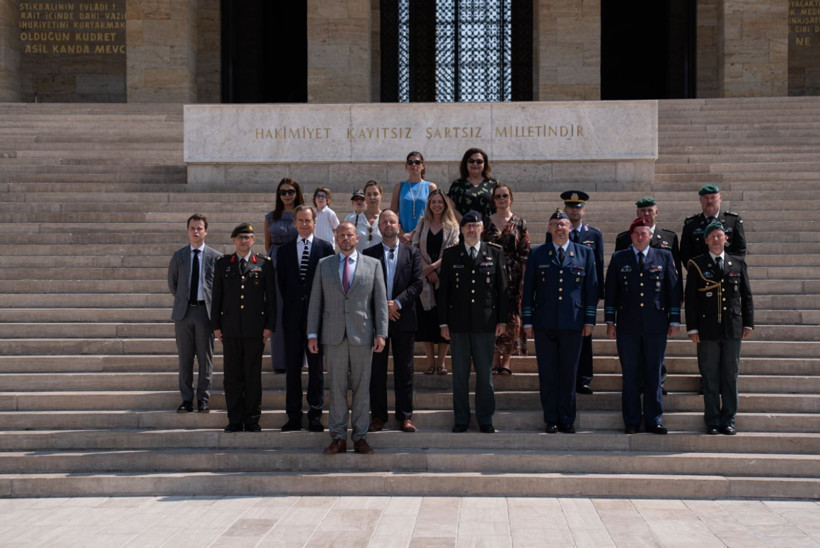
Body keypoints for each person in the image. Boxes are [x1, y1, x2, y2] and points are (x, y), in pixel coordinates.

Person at [307, 221, 388, 454]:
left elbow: (380, 303)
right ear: (336, 237)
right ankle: (338, 436)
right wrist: (312, 333)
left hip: (362, 335)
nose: (345, 239)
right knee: (337, 387)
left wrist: (381, 333)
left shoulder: (372, 265)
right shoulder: (324, 265)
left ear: (357, 238)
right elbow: (315, 303)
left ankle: (360, 436)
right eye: (341, 235)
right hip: (333, 336)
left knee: (363, 388)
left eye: (349, 235)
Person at [522, 210, 597, 434]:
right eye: (554, 224)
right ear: (548, 229)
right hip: (544, 323)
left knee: (568, 373)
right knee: (547, 374)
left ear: (570, 228)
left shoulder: (585, 254)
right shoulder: (537, 253)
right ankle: (551, 418)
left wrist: (589, 320)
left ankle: (567, 418)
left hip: (573, 323)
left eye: (563, 224)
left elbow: (590, 290)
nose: (559, 228)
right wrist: (527, 321)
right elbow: (528, 290)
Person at [605, 217, 681, 435]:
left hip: (655, 325)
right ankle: (631, 420)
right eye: (636, 233)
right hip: (627, 325)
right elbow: (611, 291)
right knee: (630, 374)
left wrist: (674, 319)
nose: (640, 237)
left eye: (644, 233)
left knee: (653, 374)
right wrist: (610, 321)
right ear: (631, 236)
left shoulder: (664, 256)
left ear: (650, 236)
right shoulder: (620, 258)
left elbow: (673, 290)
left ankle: (654, 419)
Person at [438, 210, 508, 434]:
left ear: (482, 229)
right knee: (459, 375)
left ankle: (485, 419)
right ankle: (461, 419)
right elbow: (444, 293)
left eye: (475, 226)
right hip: (457, 325)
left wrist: (502, 320)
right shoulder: (451, 255)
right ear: (461, 229)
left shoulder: (494, 253)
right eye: (467, 226)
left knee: (485, 376)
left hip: (484, 324)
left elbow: (502, 290)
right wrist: (443, 323)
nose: (471, 229)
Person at [685, 221, 754, 435]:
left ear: (726, 239)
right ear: (706, 240)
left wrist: (749, 322)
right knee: (710, 375)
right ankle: (713, 420)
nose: (716, 239)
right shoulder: (697, 264)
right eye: (712, 236)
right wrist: (692, 328)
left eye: (720, 235)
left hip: (732, 327)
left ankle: (729, 419)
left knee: (730, 374)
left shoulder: (737, 263)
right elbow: (691, 300)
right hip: (707, 330)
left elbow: (746, 295)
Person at [211, 223, 276, 432]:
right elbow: (217, 297)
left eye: (247, 237)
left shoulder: (264, 264)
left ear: (253, 240)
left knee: (252, 376)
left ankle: (252, 419)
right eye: (240, 238)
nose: (243, 241)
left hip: (255, 329)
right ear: (233, 241)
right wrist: (216, 326)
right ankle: (235, 419)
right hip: (229, 329)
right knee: (232, 377)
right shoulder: (223, 264)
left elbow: (271, 299)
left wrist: (269, 326)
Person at [614, 196, 682, 395]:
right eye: (642, 211)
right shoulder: (624, 238)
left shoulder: (669, 237)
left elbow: (675, 273)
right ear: (637, 214)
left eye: (649, 211)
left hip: (656, 306)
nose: (646, 214)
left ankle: (658, 383)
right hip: (632, 308)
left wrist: (676, 302)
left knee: (656, 354)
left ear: (656, 213)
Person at [276, 205, 334, 432]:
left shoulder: (325, 248)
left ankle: (315, 415)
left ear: (314, 222)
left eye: (307, 220)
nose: (303, 224)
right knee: (292, 368)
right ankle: (293, 416)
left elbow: (329, 283)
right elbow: (283, 283)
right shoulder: (285, 250)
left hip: (317, 319)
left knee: (316, 369)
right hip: (292, 318)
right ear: (294, 223)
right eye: (299, 220)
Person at [364, 209, 423, 433]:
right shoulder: (369, 254)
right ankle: (378, 417)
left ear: (399, 225)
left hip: (404, 318)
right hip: (378, 322)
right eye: (384, 221)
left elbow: (417, 284)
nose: (388, 224)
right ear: (379, 227)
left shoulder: (413, 253)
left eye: (392, 221)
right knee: (377, 371)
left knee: (404, 371)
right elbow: (365, 285)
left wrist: (396, 304)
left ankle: (405, 416)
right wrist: (383, 309)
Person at [546, 190, 604, 395]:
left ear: (583, 210)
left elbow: (598, 267)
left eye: (577, 207)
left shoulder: (594, 234)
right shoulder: (554, 230)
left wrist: (596, 297)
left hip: (583, 295)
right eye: (570, 207)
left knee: (585, 341)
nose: (574, 211)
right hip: (564, 297)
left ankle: (584, 379)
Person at [167, 213, 221, 414]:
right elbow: (173, 283)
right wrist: (183, 300)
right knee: (185, 358)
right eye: (192, 228)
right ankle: (187, 400)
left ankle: (203, 400)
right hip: (184, 313)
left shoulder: (215, 257)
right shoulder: (179, 256)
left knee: (205, 359)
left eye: (200, 228)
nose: (196, 231)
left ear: (206, 231)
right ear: (188, 231)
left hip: (205, 313)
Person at [482, 183, 530, 375]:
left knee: (512, 318)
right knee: (492, 316)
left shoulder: (519, 223)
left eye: (505, 196)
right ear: (493, 200)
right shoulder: (486, 222)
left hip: (514, 274)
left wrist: (525, 280)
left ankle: (507, 360)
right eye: (498, 196)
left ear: (511, 198)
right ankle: (495, 358)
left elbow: (525, 253)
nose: (502, 199)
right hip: (490, 274)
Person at [412, 189, 460, 375]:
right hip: (424, 278)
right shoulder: (423, 223)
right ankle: (430, 362)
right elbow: (415, 247)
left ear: (445, 204)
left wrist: (433, 267)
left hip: (443, 277)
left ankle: (441, 363)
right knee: (427, 320)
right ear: (429, 204)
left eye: (440, 202)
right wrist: (426, 268)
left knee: (443, 319)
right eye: (434, 202)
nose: (437, 205)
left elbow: (452, 251)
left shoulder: (452, 226)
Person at [264, 178, 304, 373]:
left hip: (298, 261)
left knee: (299, 311)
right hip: (277, 263)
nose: (287, 195)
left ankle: (299, 358)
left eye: (290, 191)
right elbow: (268, 245)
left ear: (297, 193)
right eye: (283, 192)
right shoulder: (271, 217)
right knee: (278, 312)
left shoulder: (302, 215)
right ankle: (280, 361)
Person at [681, 184, 746, 268]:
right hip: (701, 275)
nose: (709, 201)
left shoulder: (733, 221)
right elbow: (685, 253)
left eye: (713, 197)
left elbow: (740, 250)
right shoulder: (691, 224)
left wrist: (730, 268)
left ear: (720, 198)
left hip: (727, 272)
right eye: (706, 198)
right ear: (700, 200)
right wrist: (697, 271)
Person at [391, 151, 437, 244]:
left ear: (423, 165)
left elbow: (434, 213)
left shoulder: (430, 187)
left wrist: (413, 234)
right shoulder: (399, 187)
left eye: (417, 162)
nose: (414, 165)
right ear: (406, 165)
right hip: (403, 237)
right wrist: (401, 233)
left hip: (424, 235)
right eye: (410, 162)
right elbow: (393, 213)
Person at [446, 147, 498, 221]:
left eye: (479, 161)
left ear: (484, 164)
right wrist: (465, 224)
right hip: (465, 229)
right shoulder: (457, 185)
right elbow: (451, 208)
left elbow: (500, 206)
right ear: (466, 163)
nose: (475, 164)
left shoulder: (493, 184)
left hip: (489, 229)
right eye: (471, 161)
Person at [346, 181, 383, 251]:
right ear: (365, 197)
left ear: (381, 196)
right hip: (360, 260)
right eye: (369, 194)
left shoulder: (386, 219)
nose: (372, 197)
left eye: (375, 194)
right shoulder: (352, 219)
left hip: (380, 260)